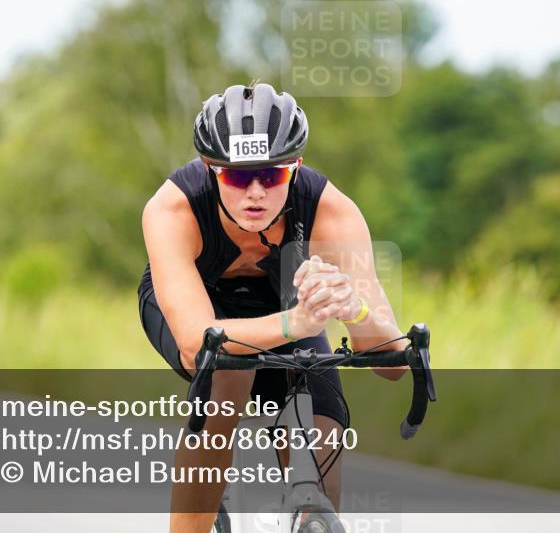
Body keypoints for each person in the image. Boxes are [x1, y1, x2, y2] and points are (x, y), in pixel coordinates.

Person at [138, 81, 407, 533]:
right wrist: (296, 321)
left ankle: (311, 512)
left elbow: (393, 360)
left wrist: (354, 309)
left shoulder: (330, 211)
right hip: (200, 303)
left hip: (285, 300)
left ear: (296, 168)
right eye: (239, 176)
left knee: (322, 426)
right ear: (211, 170)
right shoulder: (173, 209)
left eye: (273, 175)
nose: (256, 193)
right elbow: (195, 344)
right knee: (228, 373)